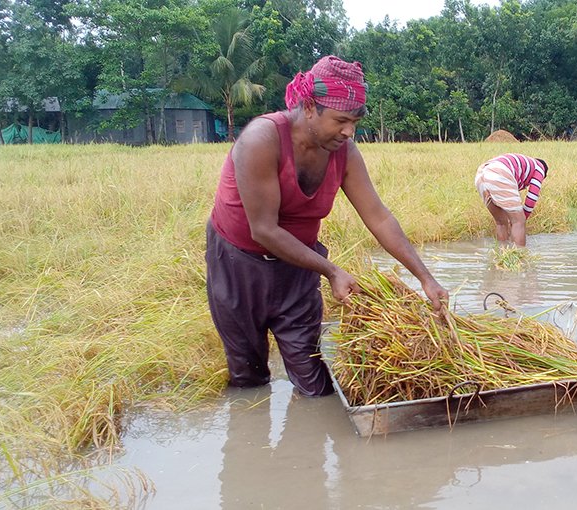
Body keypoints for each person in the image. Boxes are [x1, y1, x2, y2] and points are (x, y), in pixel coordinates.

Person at [206, 55, 448, 397]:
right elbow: (264, 229)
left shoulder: (344, 151)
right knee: (249, 376)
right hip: (238, 264)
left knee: (314, 385)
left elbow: (377, 215)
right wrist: (331, 271)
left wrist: (426, 278)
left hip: (299, 266)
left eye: (354, 122)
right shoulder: (262, 139)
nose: (349, 131)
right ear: (308, 107)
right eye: (340, 120)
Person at [474, 153, 549, 247]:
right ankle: (519, 257)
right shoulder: (540, 168)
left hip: (481, 174)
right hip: (499, 172)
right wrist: (521, 218)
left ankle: (501, 253)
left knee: (501, 222)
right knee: (519, 221)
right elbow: (532, 197)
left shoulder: (524, 165)